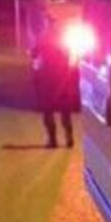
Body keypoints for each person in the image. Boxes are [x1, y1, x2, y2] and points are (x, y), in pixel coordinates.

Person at [30, 19, 80, 148]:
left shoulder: (42, 38)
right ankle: (69, 138)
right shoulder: (63, 39)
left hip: (48, 78)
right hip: (63, 79)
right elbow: (71, 56)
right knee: (65, 111)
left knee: (48, 110)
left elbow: (34, 54)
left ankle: (53, 140)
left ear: (47, 25)